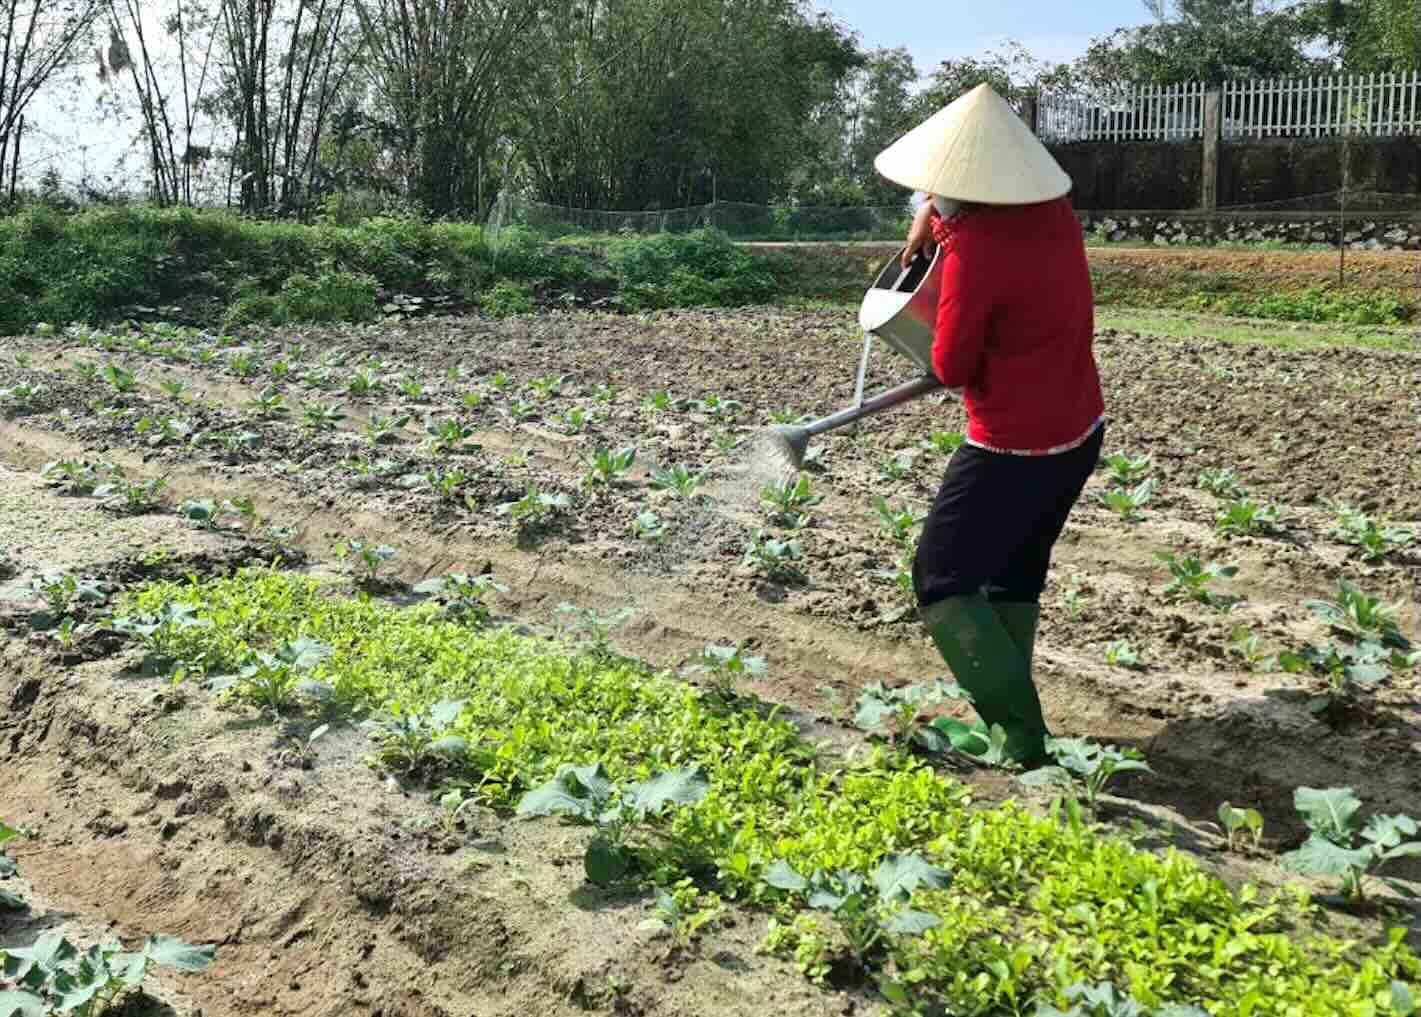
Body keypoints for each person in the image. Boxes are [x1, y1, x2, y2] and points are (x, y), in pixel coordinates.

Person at [873, 83, 1105, 767]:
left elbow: (948, 362)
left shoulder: (976, 250)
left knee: (940, 577)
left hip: (1013, 443)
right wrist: (931, 223)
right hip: (1079, 429)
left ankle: (1022, 733)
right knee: (1010, 575)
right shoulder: (1054, 213)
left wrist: (944, 242)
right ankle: (1014, 732)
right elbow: (972, 225)